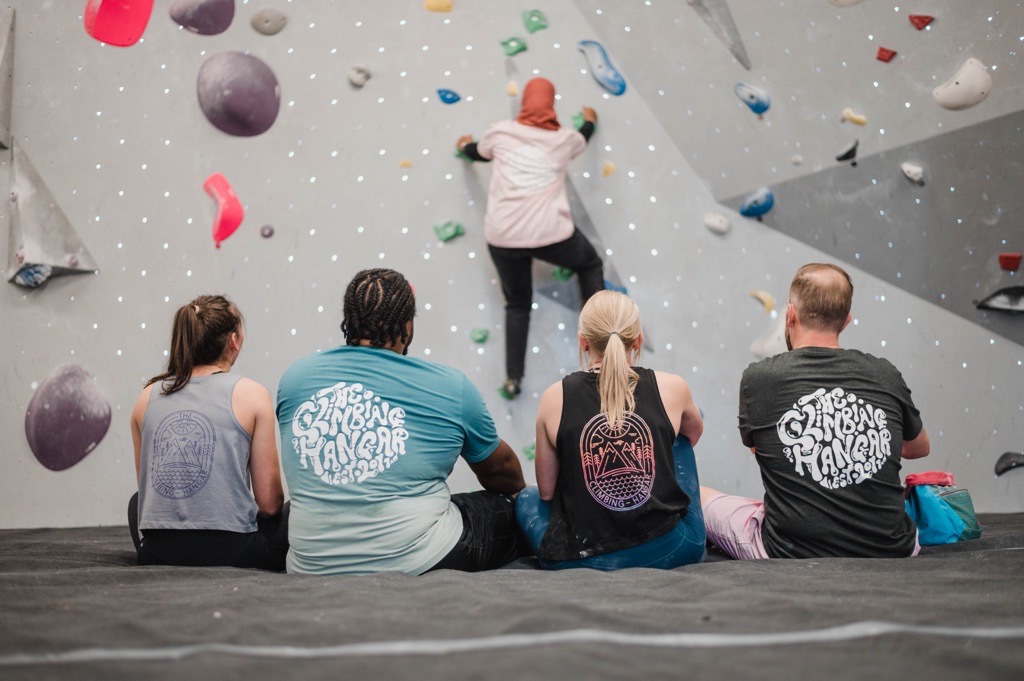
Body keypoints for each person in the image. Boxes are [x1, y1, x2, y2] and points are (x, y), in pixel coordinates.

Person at [276, 268, 529, 575]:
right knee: (507, 508)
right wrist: (519, 493)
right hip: (425, 558)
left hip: (311, 564)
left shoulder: (295, 378)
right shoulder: (451, 386)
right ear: (407, 326)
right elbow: (501, 472)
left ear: (349, 320)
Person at [701, 263, 931, 560]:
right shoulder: (884, 373)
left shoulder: (759, 378)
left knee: (700, 496)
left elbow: (762, 450)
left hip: (788, 551)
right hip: (893, 548)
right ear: (846, 320)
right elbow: (918, 448)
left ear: (790, 314)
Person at [515, 290, 707, 570]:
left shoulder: (553, 397)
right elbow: (694, 435)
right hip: (674, 549)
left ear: (583, 341)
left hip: (579, 563)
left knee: (527, 498)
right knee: (679, 436)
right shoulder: (673, 386)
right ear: (638, 340)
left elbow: (546, 492)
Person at [457, 77, 605, 399]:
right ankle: (604, 353)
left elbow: (476, 153)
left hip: (503, 237)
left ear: (525, 103)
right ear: (551, 104)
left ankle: (513, 379)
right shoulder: (565, 140)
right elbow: (585, 135)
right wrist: (591, 119)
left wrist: (462, 147)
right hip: (550, 235)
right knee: (590, 263)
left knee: (518, 305)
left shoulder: (500, 132)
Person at [128, 295, 288, 571]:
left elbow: (149, 488)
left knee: (136, 504)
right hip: (236, 552)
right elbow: (270, 504)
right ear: (233, 341)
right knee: (292, 511)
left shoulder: (145, 398)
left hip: (157, 552)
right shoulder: (252, 394)